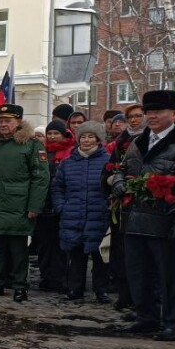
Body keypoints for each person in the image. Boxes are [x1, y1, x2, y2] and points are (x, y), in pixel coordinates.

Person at [113, 89, 175, 341]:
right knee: (138, 273)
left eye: (158, 111)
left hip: (166, 220)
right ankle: (146, 317)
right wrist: (119, 182)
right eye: (148, 112)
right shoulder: (139, 140)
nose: (151, 116)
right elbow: (122, 169)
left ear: (174, 114)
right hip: (134, 218)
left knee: (170, 277)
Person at [0, 103, 49, 302]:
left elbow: (40, 178)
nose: (3, 124)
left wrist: (34, 206)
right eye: (0, 121)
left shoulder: (32, 145)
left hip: (18, 206)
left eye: (7, 121)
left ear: (18, 122)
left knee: (18, 250)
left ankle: (20, 286)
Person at [52, 122, 111, 302]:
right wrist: (62, 206)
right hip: (73, 214)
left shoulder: (108, 160)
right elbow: (57, 188)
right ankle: (75, 289)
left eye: (91, 136)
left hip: (99, 214)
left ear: (98, 139)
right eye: (83, 137)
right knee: (76, 255)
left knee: (100, 256)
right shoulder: (68, 162)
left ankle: (101, 291)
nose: (86, 140)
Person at [103, 103, 146, 311]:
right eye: (131, 117)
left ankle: (142, 302)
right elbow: (111, 168)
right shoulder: (121, 141)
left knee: (141, 255)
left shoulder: (149, 139)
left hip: (144, 203)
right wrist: (113, 180)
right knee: (120, 252)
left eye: (139, 116)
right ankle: (124, 294)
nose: (134, 120)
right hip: (121, 203)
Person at [34, 119, 76, 291]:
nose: (52, 137)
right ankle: (46, 276)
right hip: (43, 205)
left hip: (61, 204)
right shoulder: (41, 152)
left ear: (63, 134)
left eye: (55, 133)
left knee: (60, 245)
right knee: (44, 245)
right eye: (49, 134)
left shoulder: (71, 152)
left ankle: (59, 278)